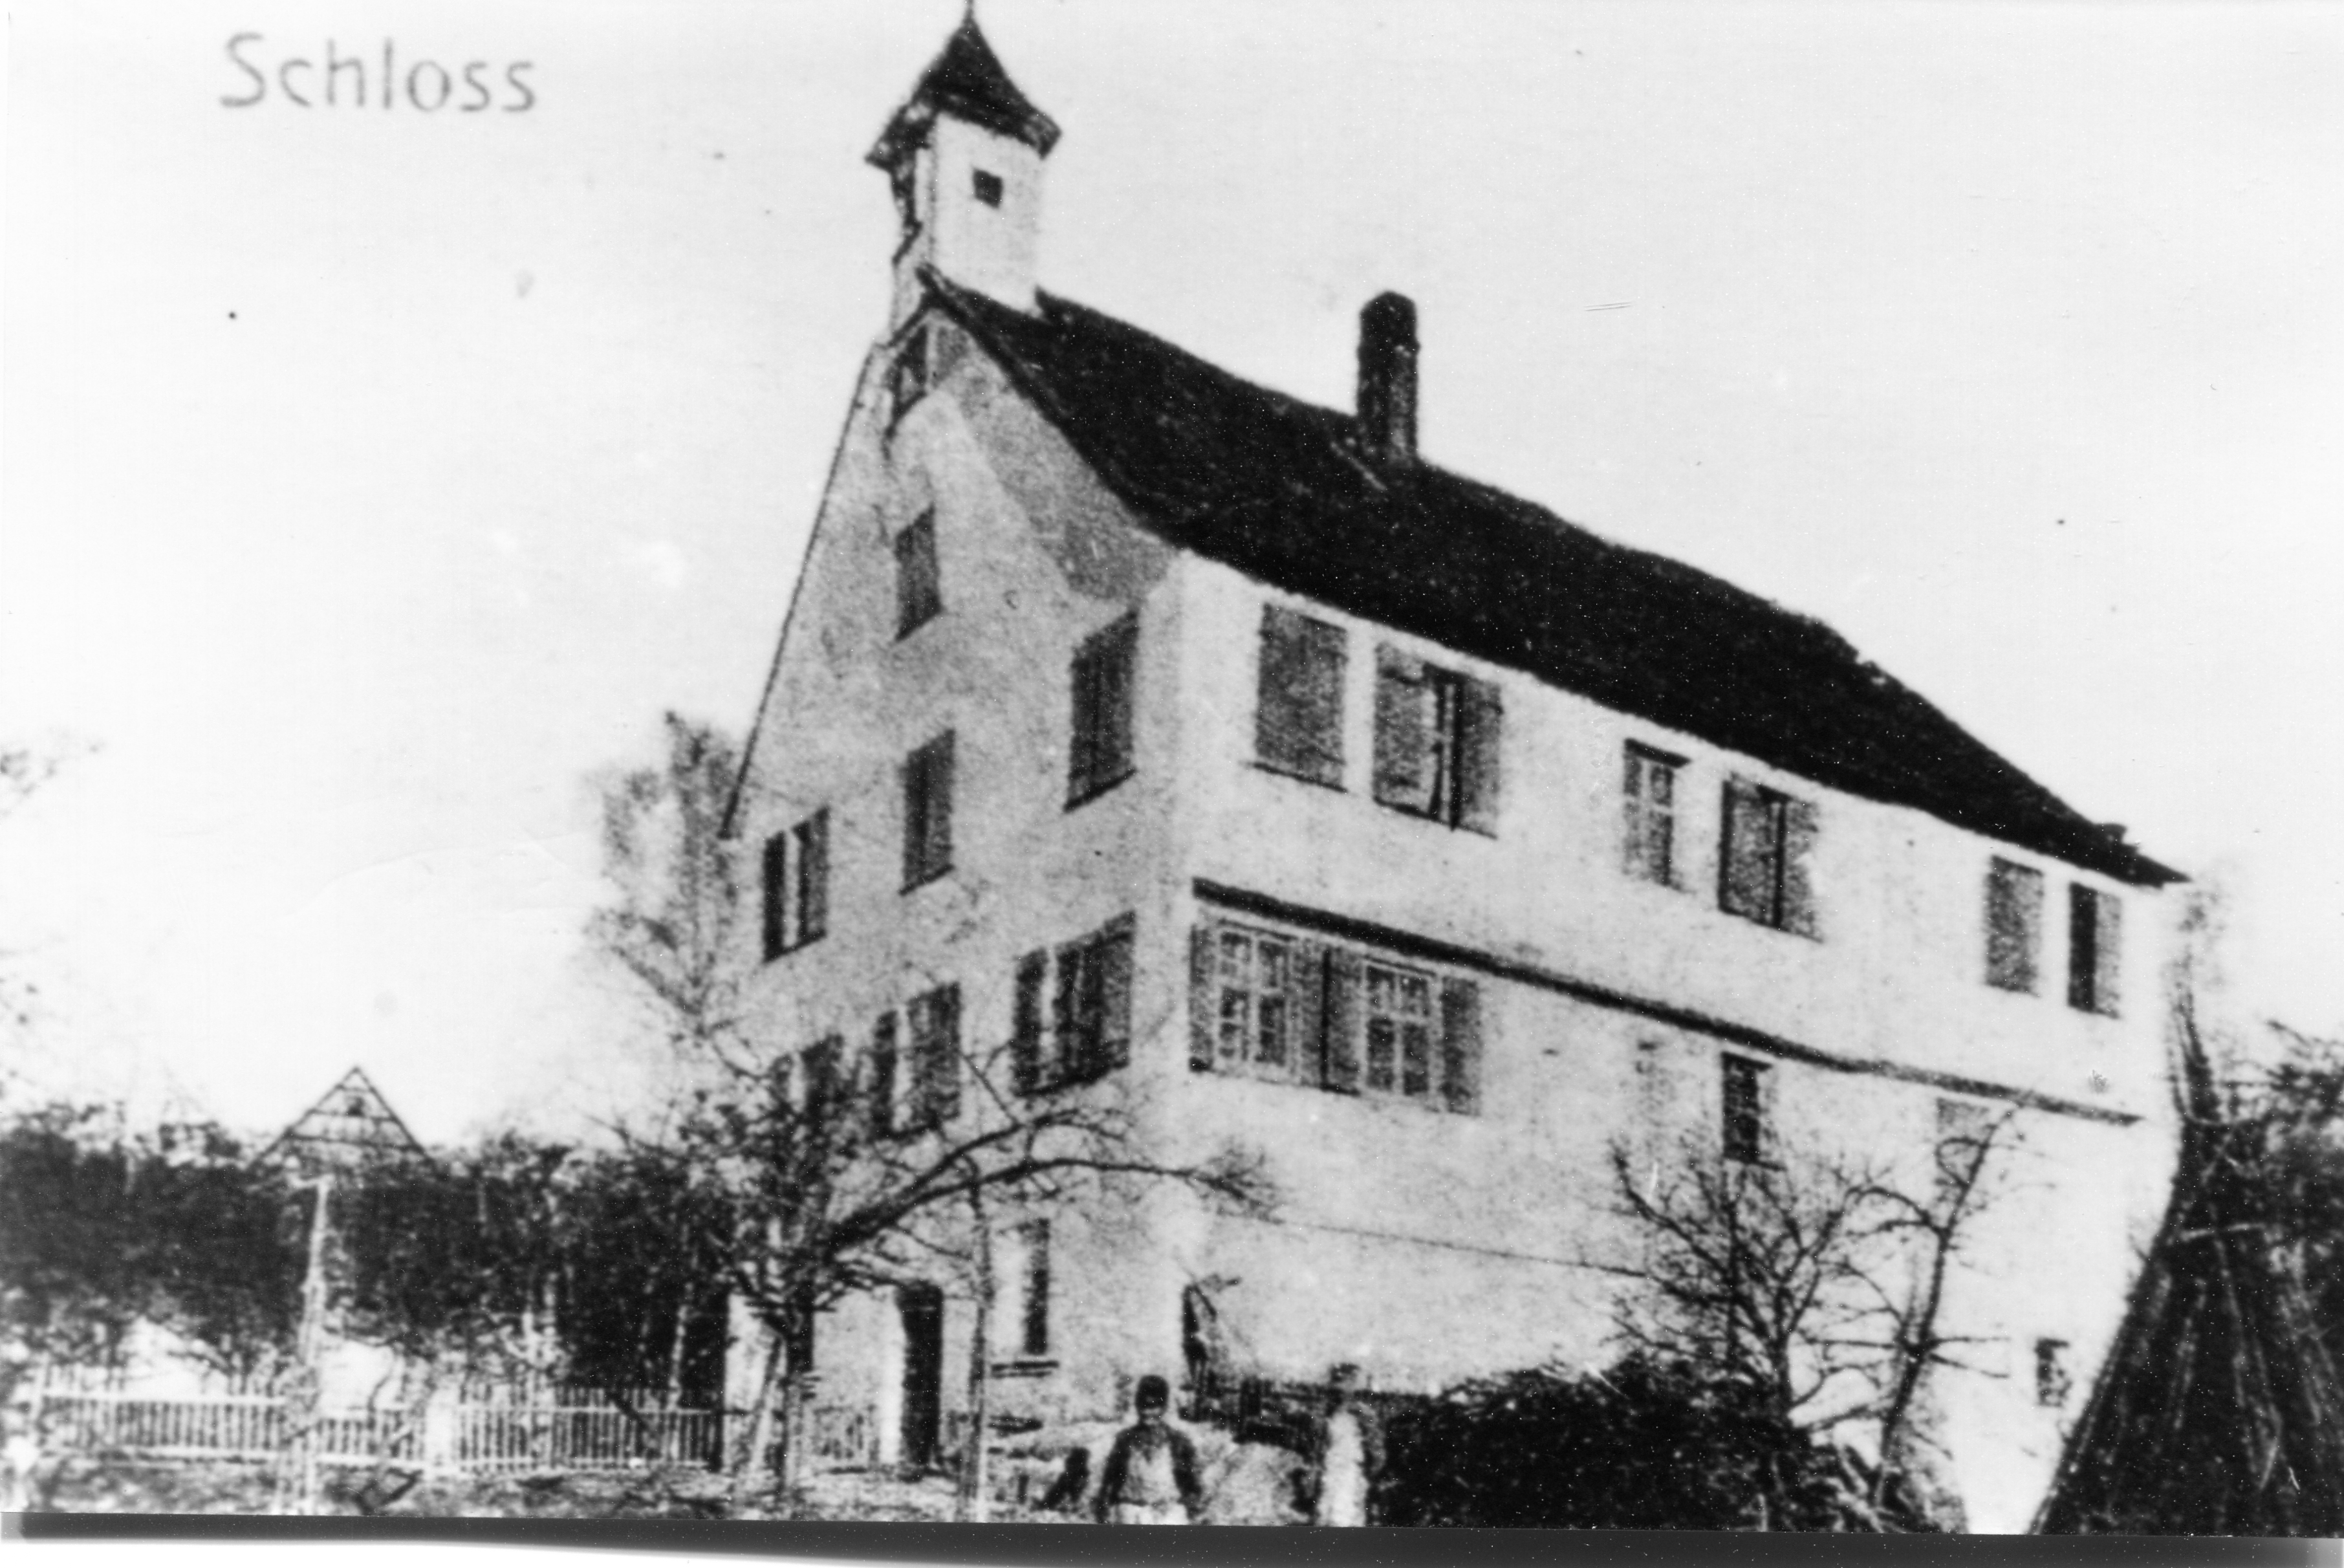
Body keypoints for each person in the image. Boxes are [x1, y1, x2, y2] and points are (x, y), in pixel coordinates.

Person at [1093, 1374, 1202, 1525]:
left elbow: (1193, 1484)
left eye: (1153, 1407)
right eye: (1143, 1406)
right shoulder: (1125, 1440)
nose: (1147, 1413)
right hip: (1130, 1515)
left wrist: (1188, 1507)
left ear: (1164, 1408)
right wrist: (1104, 1507)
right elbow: (1108, 1481)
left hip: (1167, 1515)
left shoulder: (1178, 1442)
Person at [1307, 1363, 1385, 1527]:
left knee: (1345, 1515)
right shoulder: (1325, 1413)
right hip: (1329, 1470)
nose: (1340, 1390)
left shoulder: (1363, 1414)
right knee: (1325, 1514)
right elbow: (1317, 1445)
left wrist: (1369, 1471)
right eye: (1337, 1384)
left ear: (1353, 1385)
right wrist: (1315, 1469)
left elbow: (1376, 1448)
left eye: (1346, 1383)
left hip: (1351, 1471)